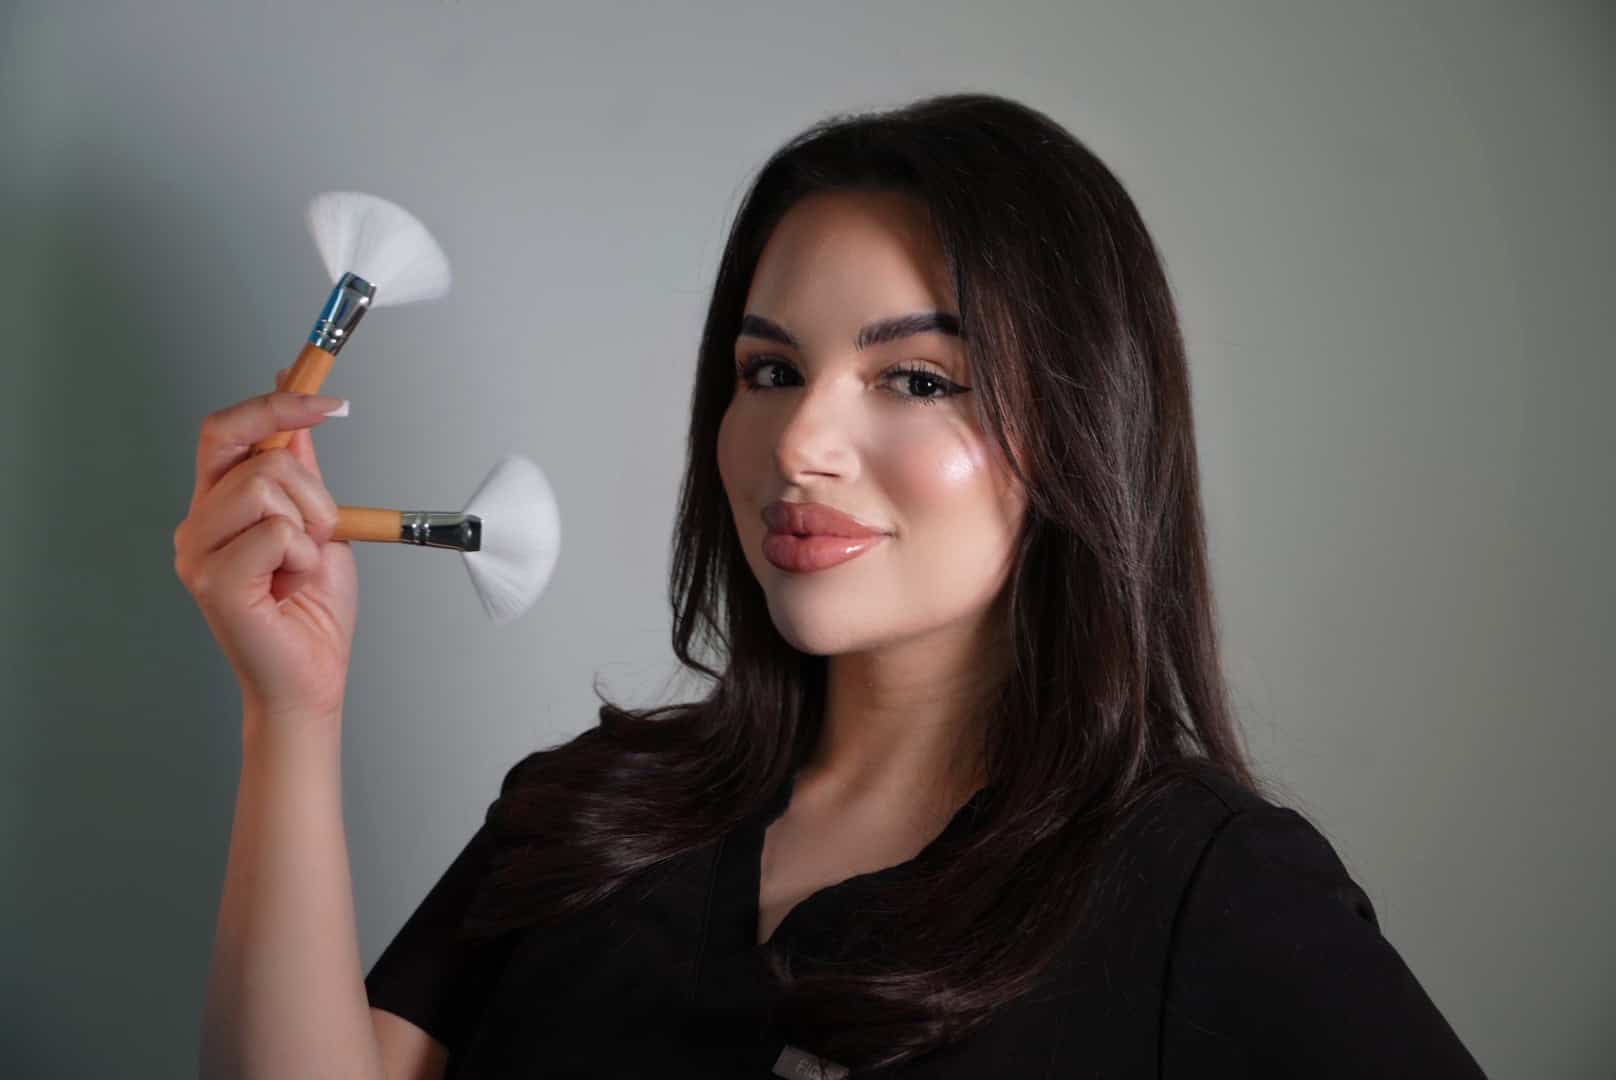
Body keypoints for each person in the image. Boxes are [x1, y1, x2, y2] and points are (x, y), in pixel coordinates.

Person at [180, 92, 1488, 1078]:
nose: (799, 444)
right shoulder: (582, 817)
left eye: (915, 380)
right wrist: (287, 716)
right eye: (768, 372)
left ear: (1086, 425)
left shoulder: (1206, 893)